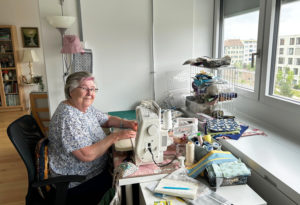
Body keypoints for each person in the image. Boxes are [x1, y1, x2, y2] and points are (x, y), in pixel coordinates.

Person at [48, 71, 137, 205]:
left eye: (93, 89)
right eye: (85, 88)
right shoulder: (68, 117)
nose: (90, 93)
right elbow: (86, 155)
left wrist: (127, 123)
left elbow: (106, 120)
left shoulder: (84, 107)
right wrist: (115, 136)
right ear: (71, 91)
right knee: (130, 186)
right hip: (79, 180)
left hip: (95, 170)